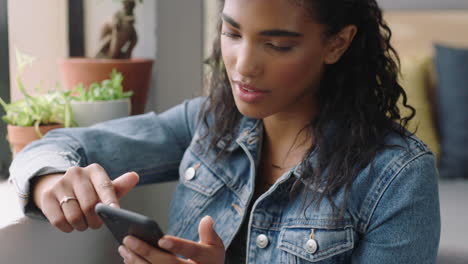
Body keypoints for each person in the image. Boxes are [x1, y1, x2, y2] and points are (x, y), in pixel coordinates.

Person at [9, 0, 440, 263]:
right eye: (232, 32)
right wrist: (51, 180)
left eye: (277, 44)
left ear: (337, 43)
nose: (243, 64)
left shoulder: (397, 177)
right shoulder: (209, 122)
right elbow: (57, 145)